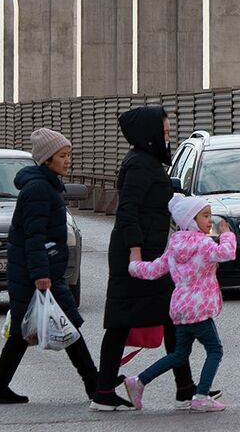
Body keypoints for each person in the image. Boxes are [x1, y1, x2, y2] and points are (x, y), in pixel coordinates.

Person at [90, 105, 195, 411]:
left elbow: (153, 205)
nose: (168, 138)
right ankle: (104, 392)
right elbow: (128, 209)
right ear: (149, 134)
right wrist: (135, 253)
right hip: (138, 255)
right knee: (122, 321)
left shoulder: (147, 161)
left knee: (168, 317)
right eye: (164, 132)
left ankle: (185, 388)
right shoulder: (139, 164)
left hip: (150, 252)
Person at [0, 128, 100, 405]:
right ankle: (95, 385)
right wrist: (40, 274)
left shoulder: (46, 185)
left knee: (23, 332)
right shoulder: (38, 189)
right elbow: (33, 236)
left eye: (68, 155)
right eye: (62, 156)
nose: (67, 160)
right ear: (47, 159)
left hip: (40, 270)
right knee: (66, 325)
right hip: (36, 273)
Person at [123, 194, 235, 411]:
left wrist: (134, 264)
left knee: (179, 354)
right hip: (200, 308)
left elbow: (154, 270)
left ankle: (139, 381)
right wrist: (226, 234)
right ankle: (201, 396)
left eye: (209, 215)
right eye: (205, 216)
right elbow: (227, 253)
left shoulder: (174, 246)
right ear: (191, 220)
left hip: (180, 309)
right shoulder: (204, 243)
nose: (209, 220)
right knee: (215, 350)